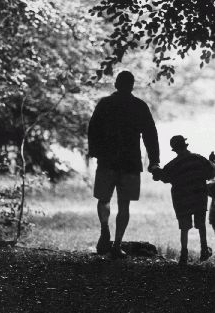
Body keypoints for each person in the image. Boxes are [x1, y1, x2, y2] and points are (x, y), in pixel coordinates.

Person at [88, 71, 160, 259]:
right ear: (132, 85)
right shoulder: (139, 106)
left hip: (107, 160)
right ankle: (117, 244)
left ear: (116, 84)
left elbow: (93, 129)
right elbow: (150, 134)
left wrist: (96, 152)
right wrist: (154, 160)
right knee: (124, 204)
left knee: (103, 199)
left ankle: (105, 230)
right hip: (130, 162)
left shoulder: (104, 104)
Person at [154, 136, 215, 265]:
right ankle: (204, 250)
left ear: (174, 149)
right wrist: (211, 161)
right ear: (186, 145)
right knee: (201, 225)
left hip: (181, 199)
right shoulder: (198, 159)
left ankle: (184, 254)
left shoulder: (172, 165)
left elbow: (164, 177)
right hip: (199, 196)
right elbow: (211, 173)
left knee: (184, 227)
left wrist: (156, 171)